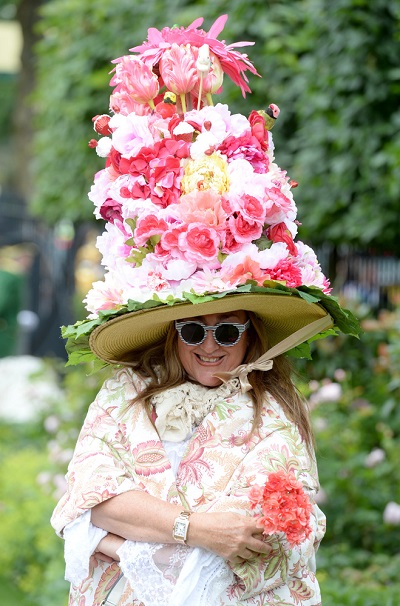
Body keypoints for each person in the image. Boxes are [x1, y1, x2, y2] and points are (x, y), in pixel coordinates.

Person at [51, 14, 359, 606]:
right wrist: (192, 530)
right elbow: (87, 498)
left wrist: (125, 534)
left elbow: (266, 534)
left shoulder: (273, 410)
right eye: (192, 327)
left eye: (228, 328)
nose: (210, 343)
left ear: (253, 334)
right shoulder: (124, 390)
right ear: (170, 334)